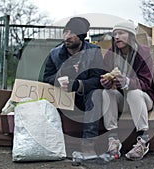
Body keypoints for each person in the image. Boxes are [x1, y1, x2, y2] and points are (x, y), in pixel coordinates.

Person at [42, 17, 105, 157]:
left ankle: (88, 145)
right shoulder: (55, 54)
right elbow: (46, 77)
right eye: (66, 32)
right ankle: (48, 144)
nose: (67, 36)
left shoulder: (94, 51)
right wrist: (59, 80)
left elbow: (98, 79)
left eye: (72, 33)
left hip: (84, 98)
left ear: (81, 36)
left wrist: (78, 84)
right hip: (62, 97)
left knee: (96, 94)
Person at [100, 20, 154, 160]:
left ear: (130, 35)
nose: (117, 37)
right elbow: (107, 80)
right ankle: (113, 140)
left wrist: (128, 82)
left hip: (143, 98)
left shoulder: (144, 53)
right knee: (106, 93)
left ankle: (143, 141)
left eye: (121, 33)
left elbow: (147, 83)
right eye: (115, 34)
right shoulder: (111, 53)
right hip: (122, 100)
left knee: (133, 93)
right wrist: (106, 82)